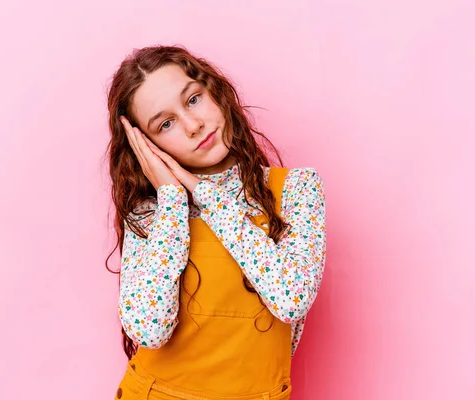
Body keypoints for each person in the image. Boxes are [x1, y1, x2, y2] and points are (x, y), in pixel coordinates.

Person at [105, 45, 326, 400]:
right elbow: (149, 330)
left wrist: (205, 194)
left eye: (193, 100)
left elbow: (291, 298)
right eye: (166, 123)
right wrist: (174, 200)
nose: (194, 126)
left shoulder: (297, 189)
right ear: (147, 147)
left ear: (215, 92)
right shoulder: (151, 213)